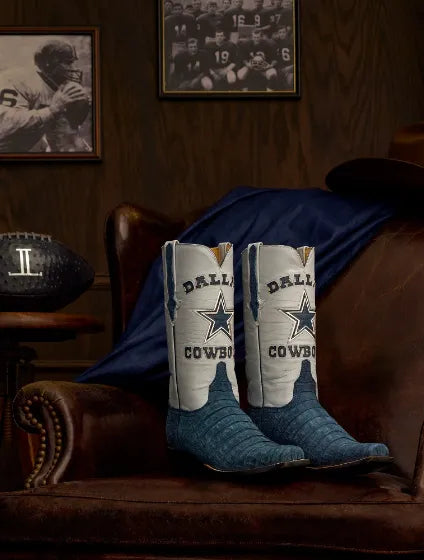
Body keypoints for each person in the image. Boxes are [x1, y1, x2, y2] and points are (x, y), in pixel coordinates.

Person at [0, 39, 89, 153]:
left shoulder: (56, 87)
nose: (73, 68)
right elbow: (4, 125)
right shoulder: (19, 79)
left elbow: (58, 137)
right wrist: (52, 110)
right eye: (68, 63)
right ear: (49, 63)